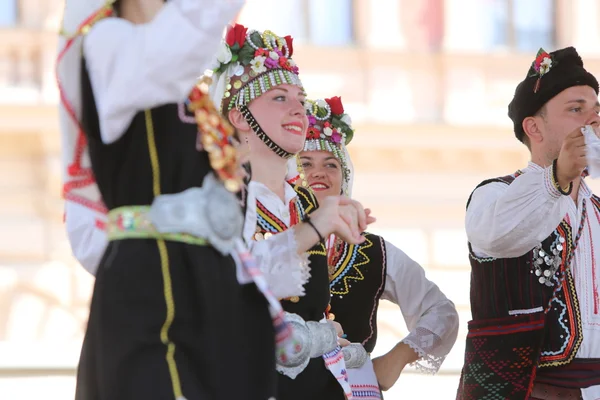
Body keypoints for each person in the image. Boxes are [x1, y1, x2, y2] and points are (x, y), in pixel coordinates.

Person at [57, 1, 295, 399]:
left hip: (211, 294)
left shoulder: (185, 91)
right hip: (152, 290)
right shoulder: (107, 44)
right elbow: (173, 48)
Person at [209, 24, 375, 400]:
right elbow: (229, 286)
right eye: (280, 98)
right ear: (239, 116)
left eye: (300, 98)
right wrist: (314, 228)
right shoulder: (223, 196)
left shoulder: (307, 205)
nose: (300, 108)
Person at [456, 47, 600, 400]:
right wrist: (557, 178)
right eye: (575, 109)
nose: (593, 120)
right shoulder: (494, 195)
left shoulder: (597, 211)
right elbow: (499, 234)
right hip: (523, 391)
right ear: (534, 127)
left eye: (596, 111)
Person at [298, 96, 459, 398]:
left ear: (344, 179)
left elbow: (441, 311)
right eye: (305, 163)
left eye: (331, 164)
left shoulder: (373, 250)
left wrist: (396, 358)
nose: (318, 172)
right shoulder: (270, 239)